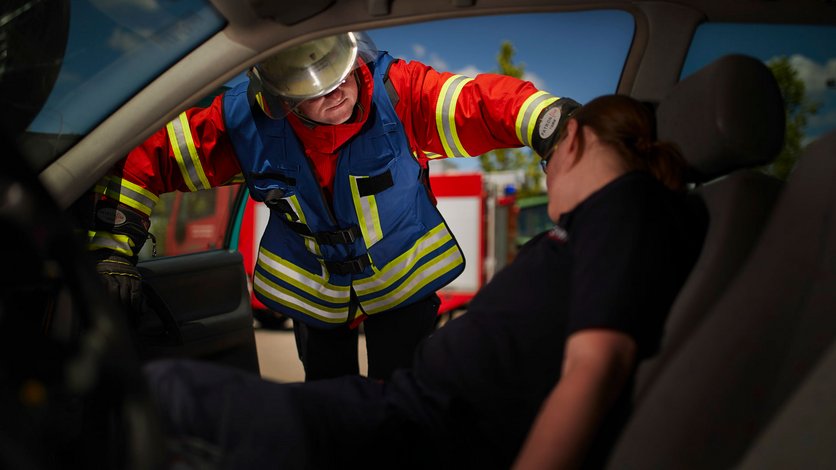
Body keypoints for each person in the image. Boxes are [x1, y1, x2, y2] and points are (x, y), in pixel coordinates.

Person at [144, 94, 708, 469]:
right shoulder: (608, 220)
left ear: (577, 139)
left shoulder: (628, 206)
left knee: (167, 398)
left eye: (550, 157)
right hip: (404, 412)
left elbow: (596, 366)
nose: (547, 169)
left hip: (416, 430)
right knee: (171, 398)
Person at [87, 31, 581, 381]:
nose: (338, 92)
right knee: (330, 412)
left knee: (407, 404)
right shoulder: (244, 123)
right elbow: (142, 158)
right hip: (313, 295)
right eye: (315, 91)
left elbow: (481, 102)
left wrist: (550, 122)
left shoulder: (399, 92)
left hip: (403, 287)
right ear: (280, 96)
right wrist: (113, 250)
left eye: (341, 75)